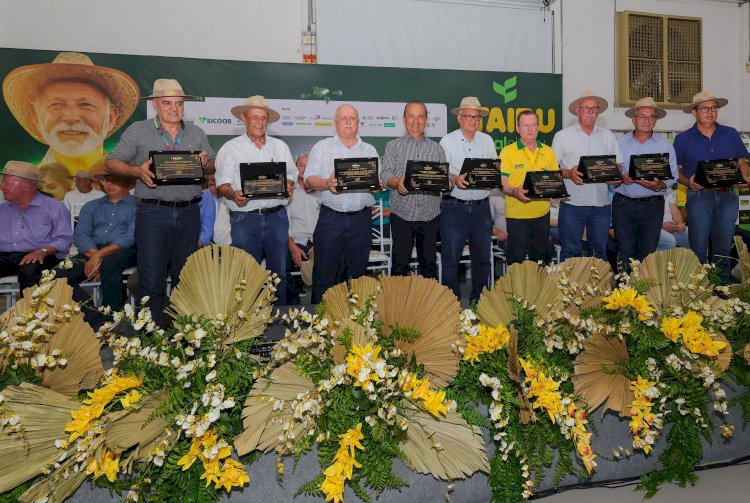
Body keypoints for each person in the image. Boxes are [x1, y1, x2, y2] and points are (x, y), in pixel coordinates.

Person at [105, 78, 215, 324]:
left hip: (189, 213)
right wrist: (137, 172)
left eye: (179, 103)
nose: (174, 108)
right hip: (153, 213)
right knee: (151, 277)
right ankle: (151, 340)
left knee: (186, 278)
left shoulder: (196, 132)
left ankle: (185, 335)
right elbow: (111, 161)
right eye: (167, 103)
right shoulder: (138, 130)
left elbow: (212, 167)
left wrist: (206, 162)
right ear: (155, 104)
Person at [2, 52, 139, 180]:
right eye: (56, 105)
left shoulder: (129, 181)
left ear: (111, 118)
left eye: (86, 105)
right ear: (36, 117)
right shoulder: (25, 183)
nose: (71, 117)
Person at [215, 96, 296, 305]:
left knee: (279, 275)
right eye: (254, 117)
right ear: (244, 118)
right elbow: (222, 185)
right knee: (246, 277)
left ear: (267, 120)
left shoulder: (280, 147)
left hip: (277, 217)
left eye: (263, 117)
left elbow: (291, 175)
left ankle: (279, 323)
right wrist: (234, 194)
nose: (259, 122)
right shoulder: (229, 148)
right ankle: (247, 327)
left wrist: (288, 184)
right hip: (244, 219)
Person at [305, 104, 379, 303]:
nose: (348, 121)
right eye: (343, 118)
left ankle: (356, 326)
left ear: (358, 123)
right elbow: (309, 179)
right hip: (331, 219)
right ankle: (320, 326)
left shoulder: (369, 149)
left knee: (357, 276)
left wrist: (376, 185)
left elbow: (375, 185)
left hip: (361, 220)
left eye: (352, 118)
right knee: (324, 274)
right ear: (335, 122)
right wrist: (326, 184)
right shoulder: (322, 147)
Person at [674, 90, 750, 283]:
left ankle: (721, 287)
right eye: (705, 108)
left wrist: (745, 176)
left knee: (723, 245)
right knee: (698, 246)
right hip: (699, 197)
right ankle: (699, 290)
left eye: (714, 108)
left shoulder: (731, 134)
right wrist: (687, 182)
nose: (710, 112)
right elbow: (675, 171)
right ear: (694, 112)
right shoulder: (683, 138)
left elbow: (741, 162)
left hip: (727, 197)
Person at [56, 174, 137, 327]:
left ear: (128, 185)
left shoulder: (138, 206)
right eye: (107, 180)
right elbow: (80, 235)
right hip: (90, 250)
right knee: (57, 276)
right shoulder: (91, 206)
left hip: (124, 250)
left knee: (110, 263)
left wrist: (99, 256)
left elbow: (129, 238)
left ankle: (109, 316)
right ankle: (95, 317)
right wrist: (95, 256)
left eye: (116, 181)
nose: (110, 184)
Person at [552, 90, 623, 261]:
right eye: (586, 108)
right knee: (570, 252)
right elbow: (551, 170)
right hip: (572, 204)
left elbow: (618, 167)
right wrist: (569, 173)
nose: (590, 111)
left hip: (601, 205)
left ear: (598, 112)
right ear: (578, 111)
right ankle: (568, 289)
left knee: (599, 252)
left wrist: (615, 177)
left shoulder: (608, 136)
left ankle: (599, 288)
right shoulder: (562, 136)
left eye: (594, 108)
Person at [381, 101, 447, 278]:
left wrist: (449, 183)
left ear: (426, 120)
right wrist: (397, 183)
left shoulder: (437, 148)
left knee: (429, 267)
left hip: (430, 215)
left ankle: (428, 305)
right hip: (402, 214)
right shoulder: (392, 146)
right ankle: (399, 306)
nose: (415, 121)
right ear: (404, 119)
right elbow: (386, 174)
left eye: (420, 116)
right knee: (400, 266)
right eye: (411, 116)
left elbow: (445, 177)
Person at [439, 97, 495, 302]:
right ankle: (451, 304)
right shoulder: (447, 141)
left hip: (481, 207)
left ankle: (479, 302)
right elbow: (441, 173)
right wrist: (454, 177)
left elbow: (491, 171)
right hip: (455, 207)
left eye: (477, 116)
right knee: (451, 259)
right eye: (469, 116)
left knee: (482, 259)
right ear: (460, 118)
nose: (473, 120)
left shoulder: (487, 141)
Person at [613, 97, 677, 269]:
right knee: (625, 251)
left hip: (653, 205)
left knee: (648, 253)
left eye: (651, 117)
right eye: (642, 116)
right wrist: (622, 177)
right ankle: (624, 293)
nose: (646, 120)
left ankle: (644, 293)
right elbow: (613, 173)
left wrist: (660, 185)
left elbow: (672, 177)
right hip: (623, 204)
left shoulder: (666, 146)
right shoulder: (618, 144)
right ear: (634, 119)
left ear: (656, 120)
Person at [0, 161, 73, 290]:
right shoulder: (2, 208)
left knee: (30, 274)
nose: (2, 187)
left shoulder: (54, 207)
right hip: (5, 255)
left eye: (7, 183)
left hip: (42, 255)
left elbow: (65, 240)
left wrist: (43, 251)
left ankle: (29, 310)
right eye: (2, 183)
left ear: (26, 186)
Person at [499, 110, 559, 265]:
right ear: (518, 129)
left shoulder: (548, 152)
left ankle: (538, 290)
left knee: (540, 261)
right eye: (526, 125)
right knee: (517, 262)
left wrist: (559, 193)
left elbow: (554, 181)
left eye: (533, 125)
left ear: (539, 128)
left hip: (542, 215)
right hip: (517, 216)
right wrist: (514, 191)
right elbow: (502, 182)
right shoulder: (507, 152)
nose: (530, 129)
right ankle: (516, 290)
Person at [286, 154, 320, 304]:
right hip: (294, 241)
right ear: (295, 168)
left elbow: (328, 223)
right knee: (281, 265)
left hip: (318, 241)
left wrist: (320, 243)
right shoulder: (287, 193)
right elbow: (282, 224)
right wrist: (292, 247)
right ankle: (293, 309)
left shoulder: (322, 192)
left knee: (328, 262)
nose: (304, 168)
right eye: (301, 165)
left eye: (308, 165)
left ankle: (317, 306)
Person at [657, 185, 690, 250]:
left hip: (671, 225)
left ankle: (694, 259)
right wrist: (660, 226)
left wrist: (680, 224)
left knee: (694, 235)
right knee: (669, 241)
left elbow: (675, 210)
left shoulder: (669, 188)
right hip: (653, 227)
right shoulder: (647, 192)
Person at [199, 174, 218, 248]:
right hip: (203, 244)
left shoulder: (228, 198)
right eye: (208, 180)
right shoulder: (202, 196)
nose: (210, 182)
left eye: (213, 180)